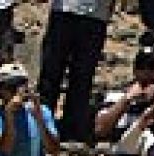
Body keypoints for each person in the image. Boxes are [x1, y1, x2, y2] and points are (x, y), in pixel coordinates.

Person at [37, 0, 113, 142]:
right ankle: (41, 125)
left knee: (82, 75)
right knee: (51, 72)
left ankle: (71, 129)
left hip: (95, 14)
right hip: (65, 9)